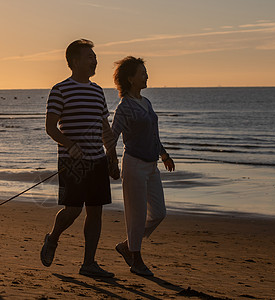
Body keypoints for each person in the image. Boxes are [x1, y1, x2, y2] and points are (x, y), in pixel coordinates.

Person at [40, 39, 119, 278]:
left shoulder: (97, 91)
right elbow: (50, 127)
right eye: (89, 56)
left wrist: (112, 157)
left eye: (95, 57)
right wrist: (70, 145)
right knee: (73, 210)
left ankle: (89, 263)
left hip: (97, 161)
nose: (95, 60)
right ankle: (53, 238)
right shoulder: (60, 89)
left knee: (96, 212)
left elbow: (105, 127)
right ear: (75, 61)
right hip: (72, 162)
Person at [109, 56, 175, 276]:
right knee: (135, 216)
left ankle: (128, 245)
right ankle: (136, 259)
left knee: (159, 213)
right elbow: (112, 137)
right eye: (142, 72)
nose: (147, 75)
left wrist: (164, 154)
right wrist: (112, 161)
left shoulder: (146, 102)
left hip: (151, 165)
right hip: (134, 164)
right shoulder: (124, 107)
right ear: (130, 79)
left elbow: (153, 135)